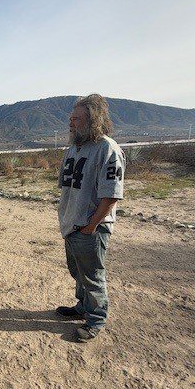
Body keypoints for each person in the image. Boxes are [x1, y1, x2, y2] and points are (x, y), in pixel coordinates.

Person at [56, 94, 125, 342]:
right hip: (72, 224)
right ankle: (82, 306)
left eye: (77, 119)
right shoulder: (73, 149)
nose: (71, 123)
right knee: (78, 271)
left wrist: (91, 226)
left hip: (90, 227)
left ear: (93, 120)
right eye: (71, 118)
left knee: (93, 275)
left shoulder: (107, 148)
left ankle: (96, 319)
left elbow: (111, 195)